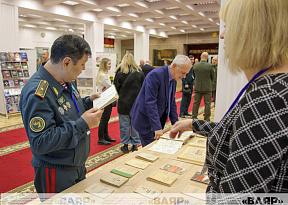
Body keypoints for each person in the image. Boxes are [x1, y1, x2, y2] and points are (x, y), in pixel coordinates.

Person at [170, 0, 288, 195]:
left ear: (251, 30)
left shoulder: (267, 98)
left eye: (227, 26)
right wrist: (195, 124)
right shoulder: (274, 86)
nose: (222, 36)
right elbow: (239, 133)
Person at [19, 34, 103, 200]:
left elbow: (66, 109)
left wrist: (88, 102)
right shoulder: (38, 92)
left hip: (74, 165)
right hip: (56, 172)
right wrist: (82, 124)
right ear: (66, 62)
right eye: (82, 64)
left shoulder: (64, 79)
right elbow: (40, 142)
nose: (83, 69)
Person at [130, 55, 192, 147]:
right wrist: (156, 127)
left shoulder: (174, 78)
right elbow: (150, 103)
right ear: (174, 66)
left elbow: (171, 102)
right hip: (146, 120)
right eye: (183, 72)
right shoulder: (155, 75)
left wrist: (176, 124)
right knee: (150, 150)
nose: (184, 76)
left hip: (157, 118)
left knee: (154, 148)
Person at [114, 53, 145, 153]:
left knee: (124, 125)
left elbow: (116, 88)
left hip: (123, 103)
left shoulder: (119, 73)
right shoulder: (139, 73)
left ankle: (125, 145)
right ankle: (135, 145)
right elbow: (143, 88)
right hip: (136, 104)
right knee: (135, 125)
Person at [95, 58, 116, 145]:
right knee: (104, 119)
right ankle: (101, 138)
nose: (110, 66)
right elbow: (110, 86)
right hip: (105, 99)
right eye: (109, 64)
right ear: (104, 65)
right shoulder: (103, 75)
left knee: (106, 118)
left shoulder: (103, 74)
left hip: (106, 99)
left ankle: (105, 135)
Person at [191, 52, 214, 121]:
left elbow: (194, 76)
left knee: (196, 103)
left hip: (198, 86)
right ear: (207, 58)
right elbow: (213, 77)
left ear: (201, 57)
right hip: (207, 87)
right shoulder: (210, 66)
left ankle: (194, 117)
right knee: (207, 104)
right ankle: (207, 118)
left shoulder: (195, 65)